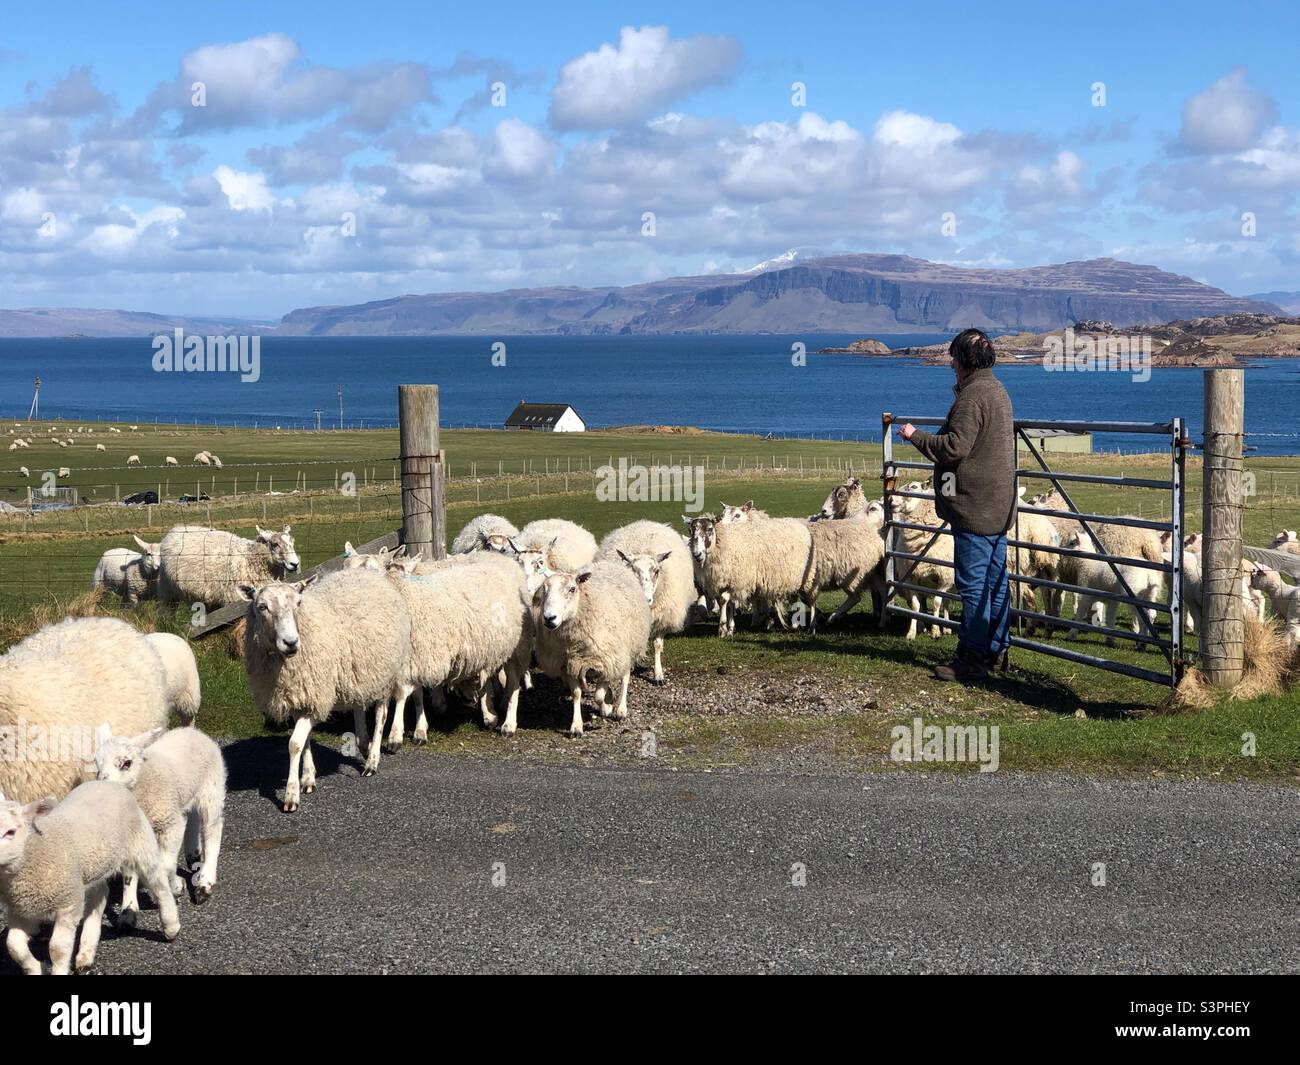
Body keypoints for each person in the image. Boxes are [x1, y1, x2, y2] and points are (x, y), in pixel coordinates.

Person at [899, 329, 1015, 683]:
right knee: (996, 581)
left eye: (953, 357)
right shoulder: (997, 390)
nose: (950, 363)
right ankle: (997, 649)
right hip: (998, 505)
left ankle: (971, 657)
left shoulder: (973, 396)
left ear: (964, 361)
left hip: (975, 507)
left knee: (973, 584)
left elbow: (954, 447)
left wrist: (914, 435)